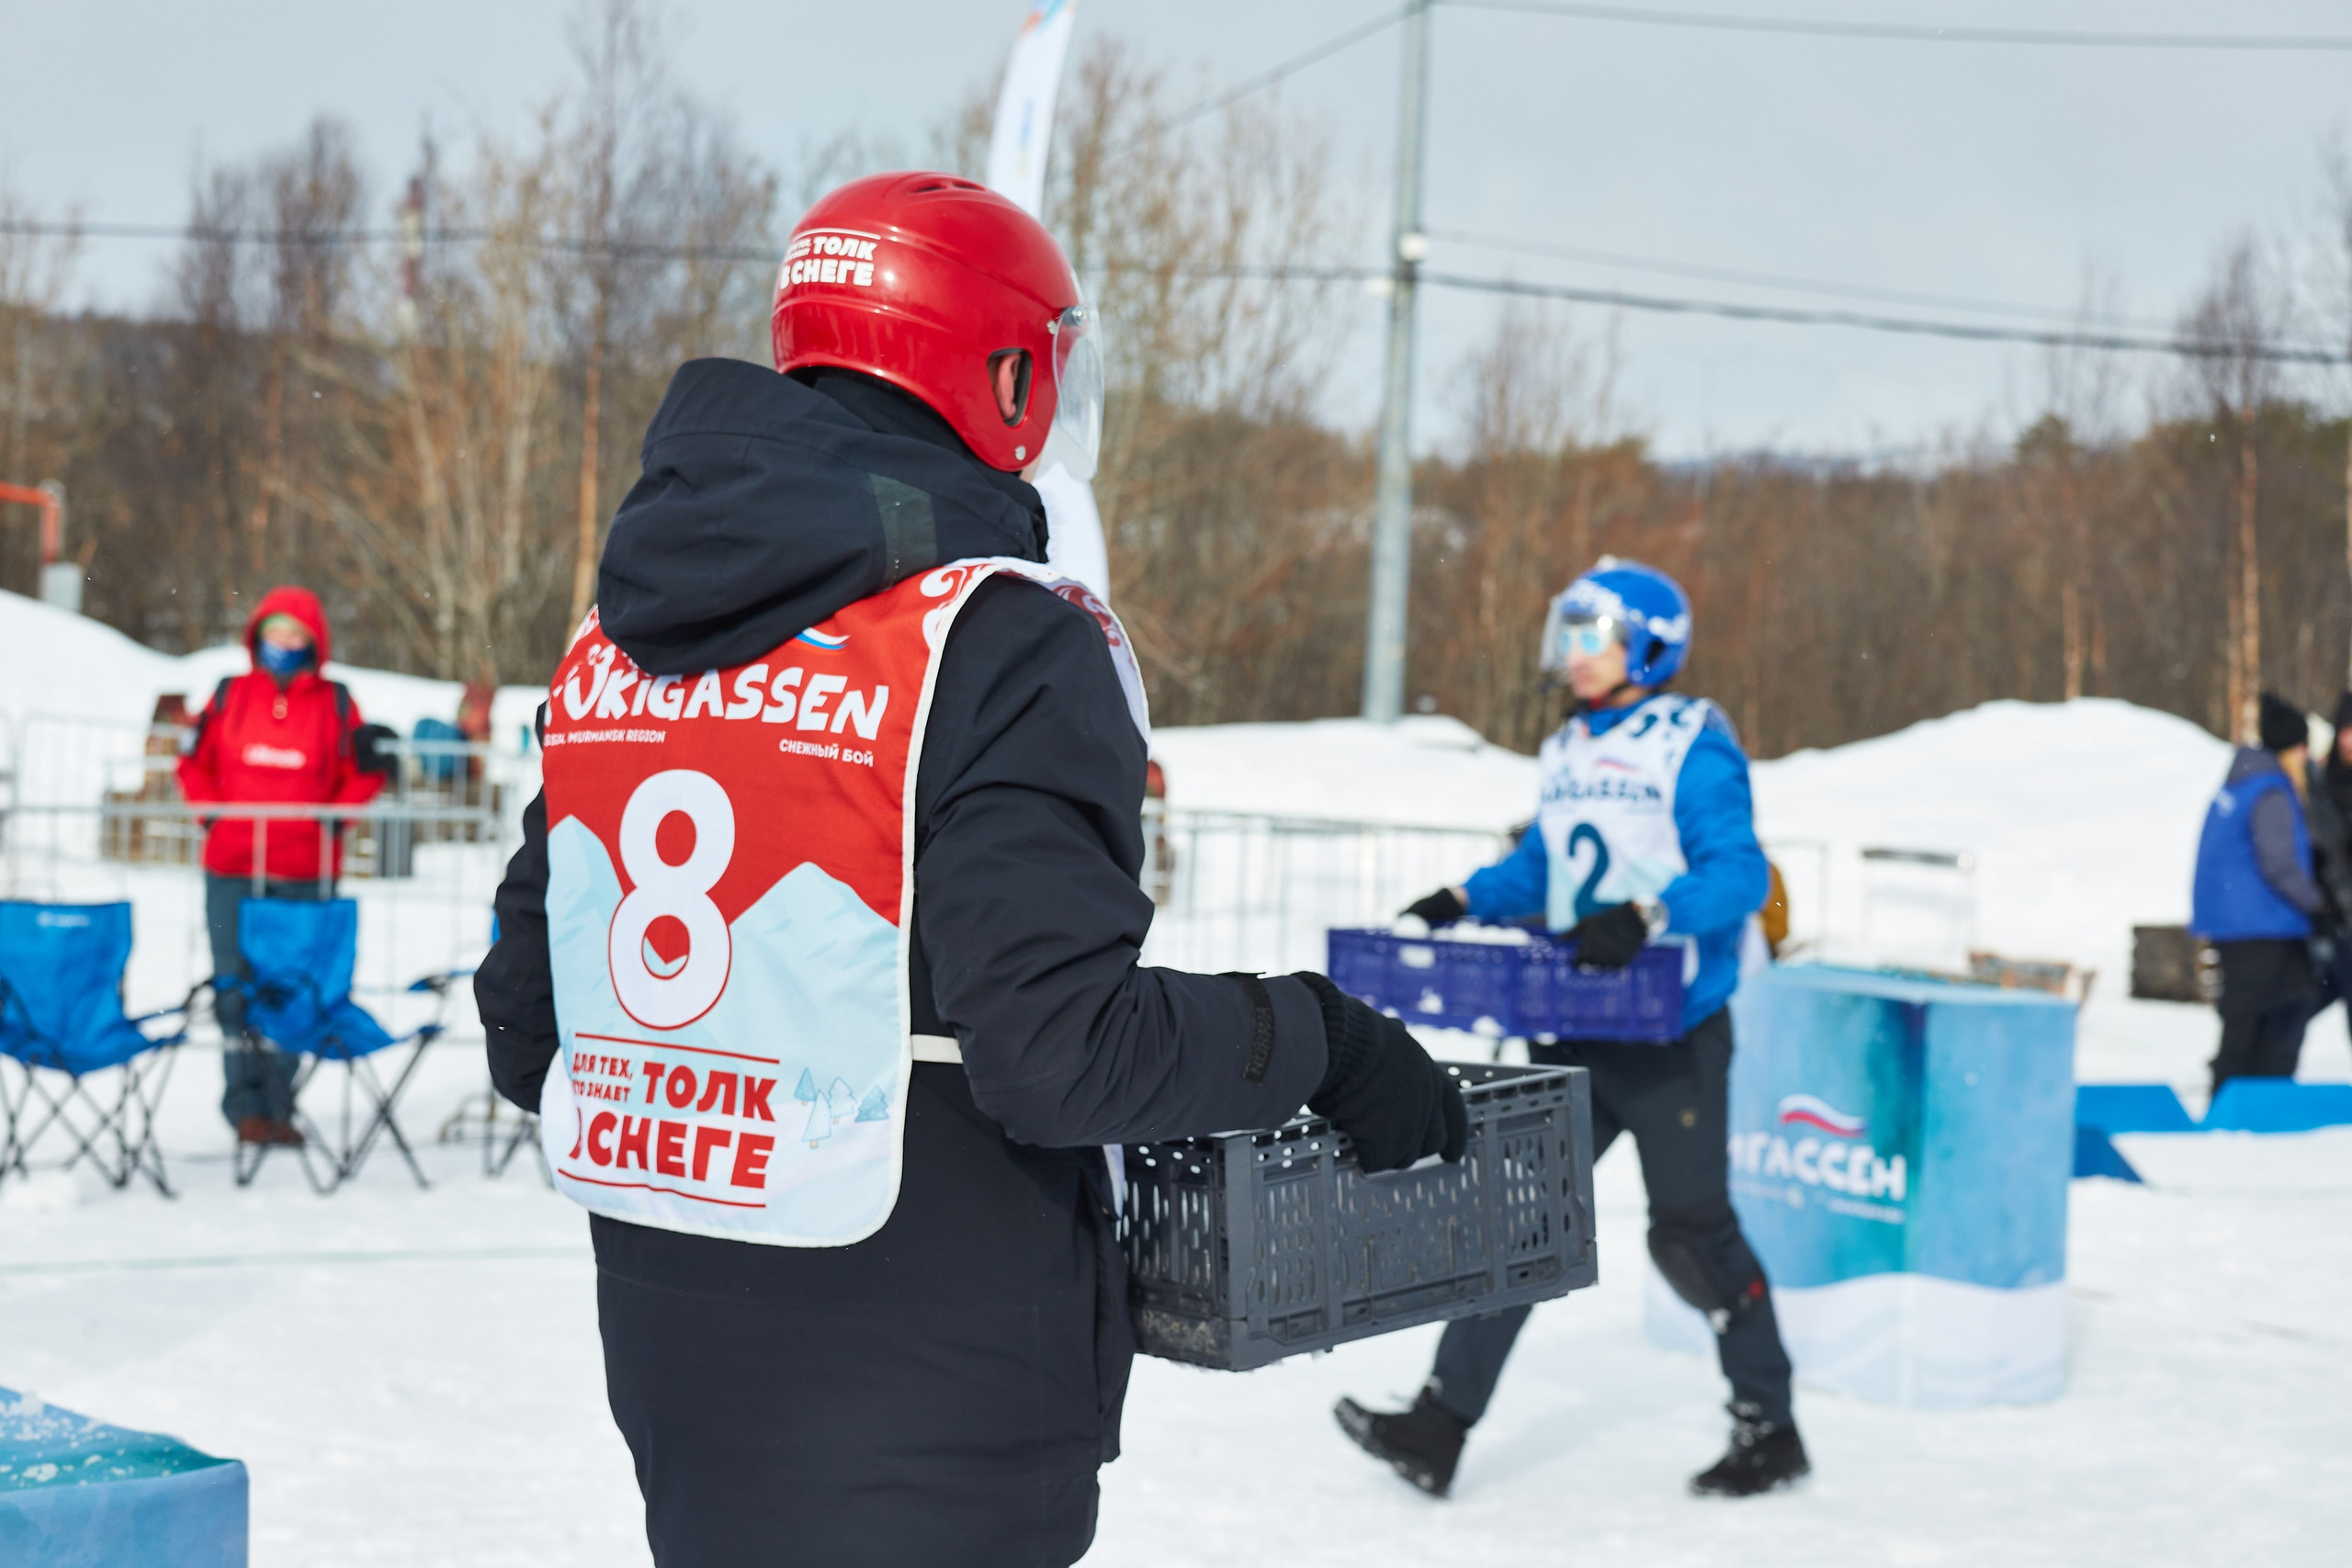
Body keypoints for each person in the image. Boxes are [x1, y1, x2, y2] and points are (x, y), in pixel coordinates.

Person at [471, 172, 1466, 1568]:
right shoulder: (995, 637)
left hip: (682, 1363)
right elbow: (1059, 1055)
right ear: (1004, 375)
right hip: (935, 1388)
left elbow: (530, 1024)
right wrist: (1321, 1037)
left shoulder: (621, 639)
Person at [1335, 558, 1804, 1500]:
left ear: (1648, 643)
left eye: (1592, 636)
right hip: (1572, 1028)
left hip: (1670, 1036)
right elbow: (1547, 868)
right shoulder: (1567, 748)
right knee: (1517, 1229)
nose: (1573, 655)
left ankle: (1771, 1423)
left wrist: (1646, 915)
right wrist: (1465, 895)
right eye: (1570, 634)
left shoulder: (1691, 740)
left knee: (1692, 1238)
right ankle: (1438, 1424)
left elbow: (1737, 875)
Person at [175, 587, 388, 1146]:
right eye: (275, 632)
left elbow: (365, 772)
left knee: (292, 989)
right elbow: (192, 762)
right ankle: (244, 1106)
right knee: (234, 987)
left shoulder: (338, 702)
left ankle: (279, 1103)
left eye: (296, 635)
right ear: (257, 635)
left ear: (314, 641)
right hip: (231, 866)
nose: (284, 644)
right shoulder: (227, 695)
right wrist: (211, 818)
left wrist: (331, 822)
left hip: (304, 869)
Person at [2192, 692, 2324, 1092]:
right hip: (2261, 923)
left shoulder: (2241, 781)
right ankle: (2250, 1098)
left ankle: (2244, 1094)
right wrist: (2318, 904)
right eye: (2302, 748)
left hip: (2237, 921)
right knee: (2274, 1011)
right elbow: (2279, 863)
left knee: (2248, 1014)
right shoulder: (2271, 790)